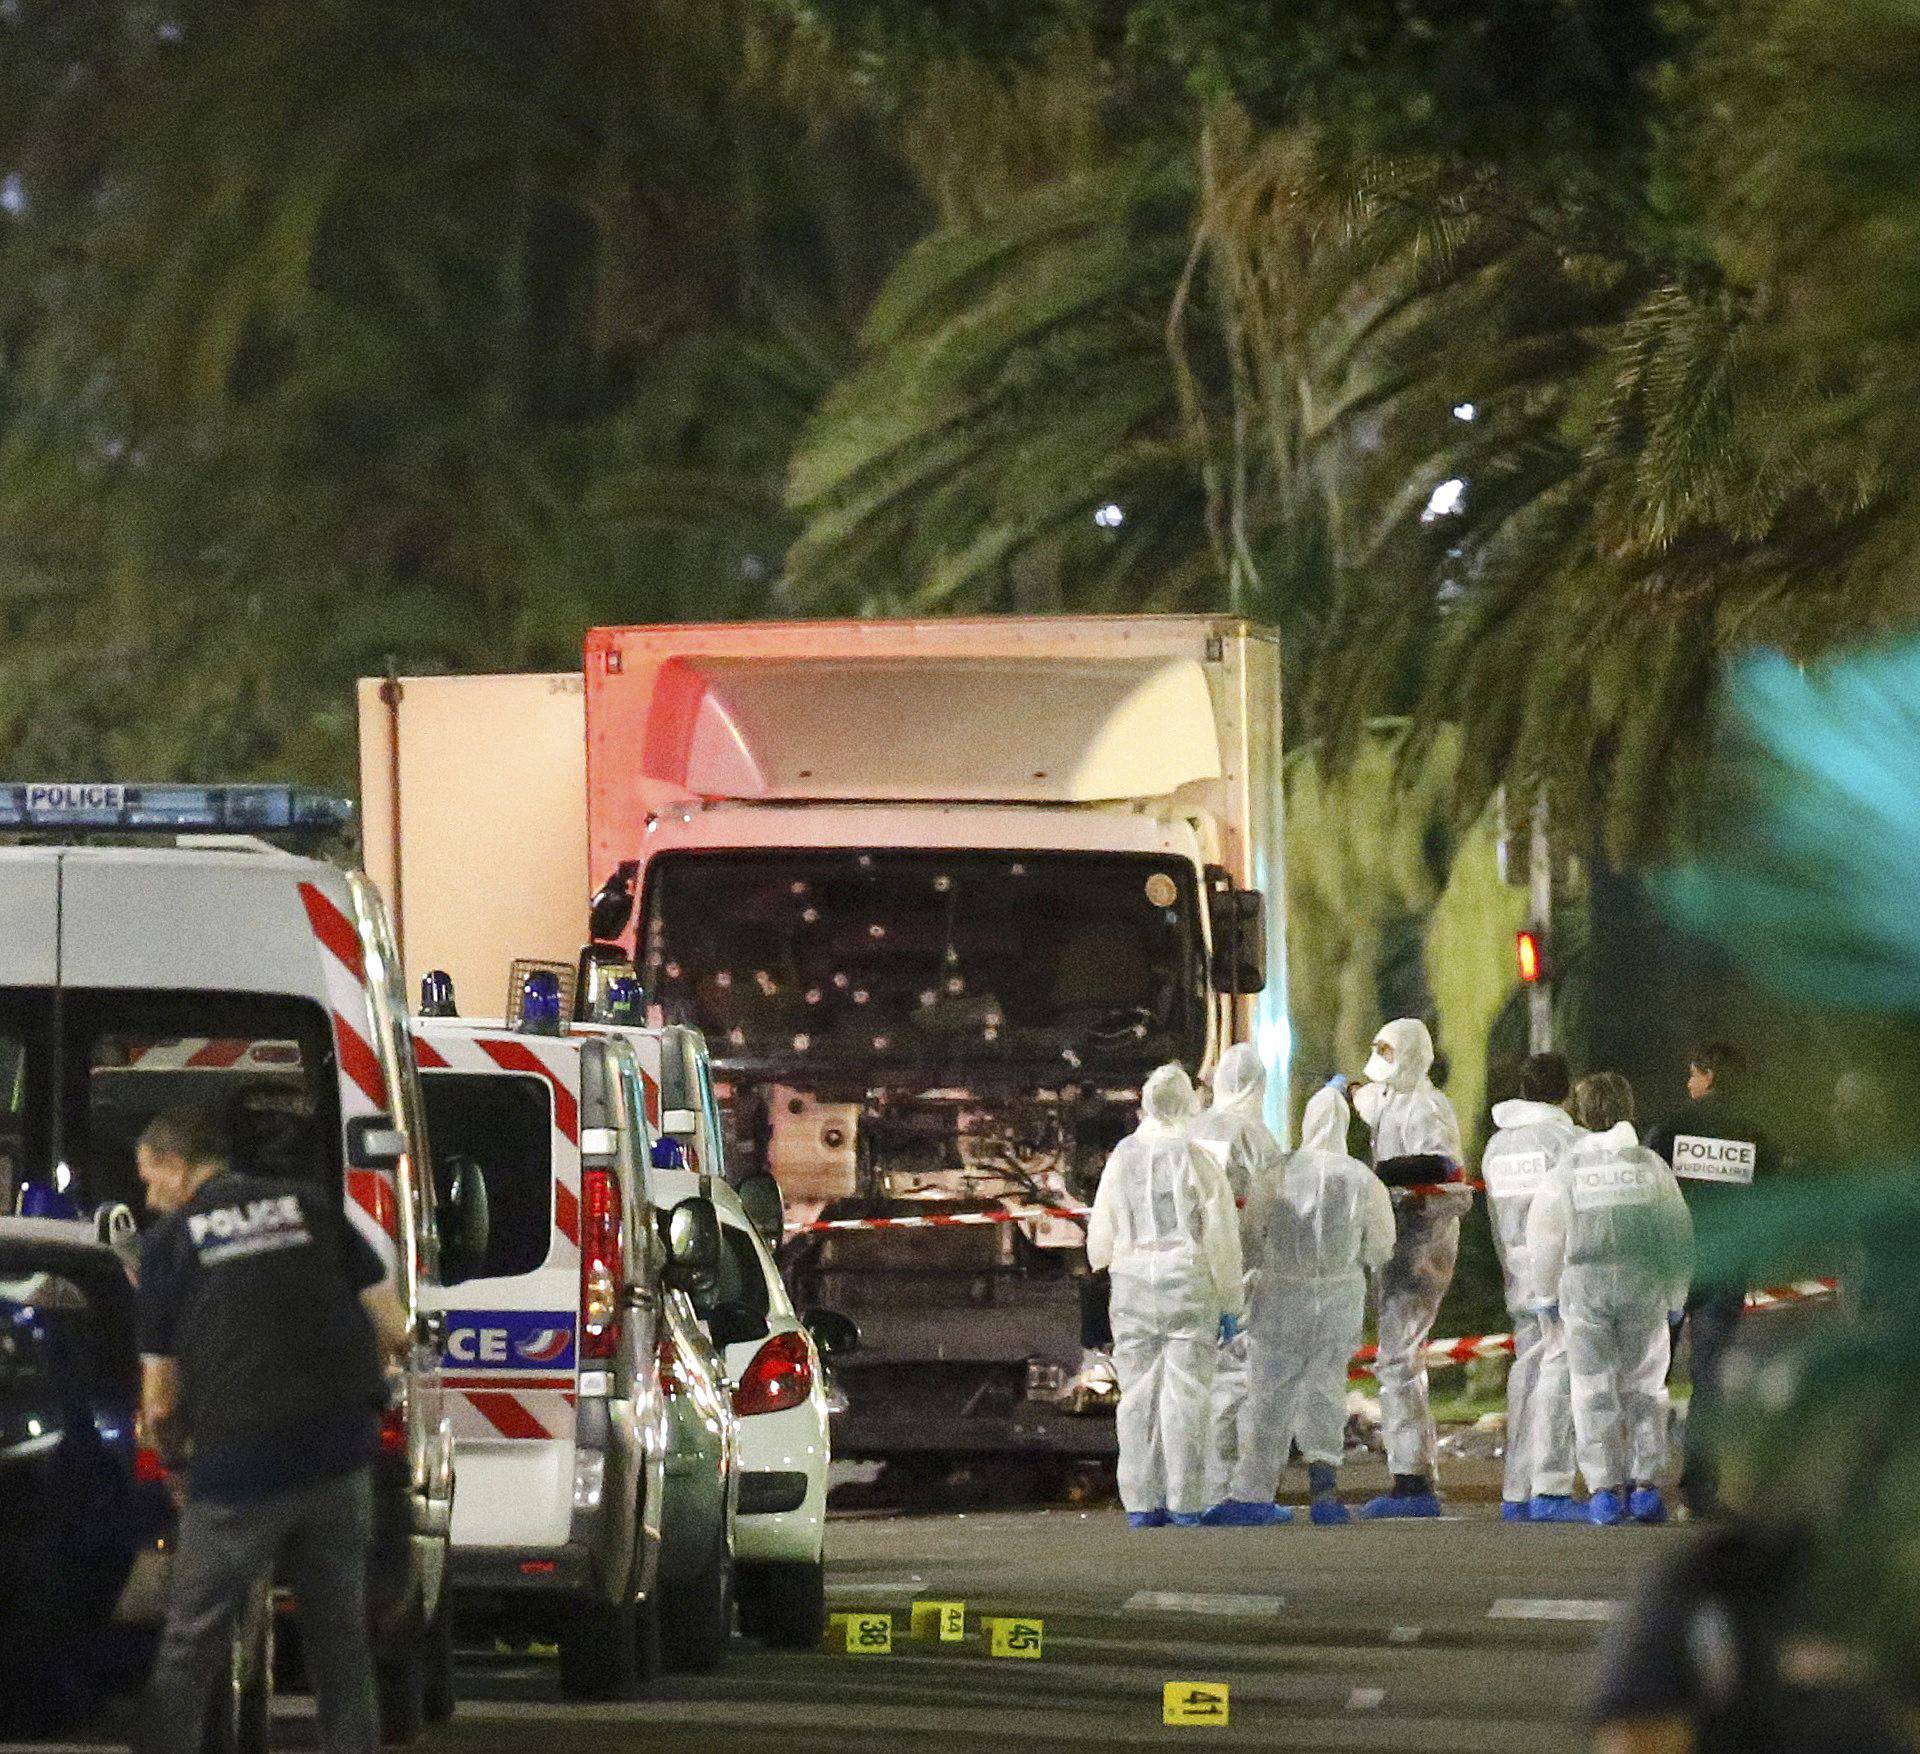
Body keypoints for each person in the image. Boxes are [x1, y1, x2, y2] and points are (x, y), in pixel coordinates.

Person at [135, 1107, 408, 1754]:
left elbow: (161, 1400)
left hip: (239, 1470)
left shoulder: (171, 1244)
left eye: (150, 1179)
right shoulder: (309, 1207)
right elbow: (393, 1327)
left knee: (190, 1643)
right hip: (338, 1456)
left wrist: (175, 1467)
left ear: (178, 1167)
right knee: (340, 1643)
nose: (149, 1197)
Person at [1214, 1083, 1395, 1527]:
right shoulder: (1361, 1179)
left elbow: (1250, 1238)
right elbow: (1381, 1247)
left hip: (1282, 1297)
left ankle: (1253, 1496)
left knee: (1267, 1395)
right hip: (1338, 1300)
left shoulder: (1277, 1172)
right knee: (1326, 1391)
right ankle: (1325, 1493)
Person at [1528, 1073, 1693, 1526]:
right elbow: (1677, 1234)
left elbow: (1546, 1237)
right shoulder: (1650, 1167)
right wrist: (1676, 1294)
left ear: (1583, 1114)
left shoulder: (1568, 1171)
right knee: (1646, 1388)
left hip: (1584, 1289)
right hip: (1644, 1285)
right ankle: (1646, 1487)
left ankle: (1603, 1489)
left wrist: (1544, 1294)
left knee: (1591, 1388)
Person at [1087, 1063, 1244, 1528]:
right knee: (1186, 1395)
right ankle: (1185, 1502)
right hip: (1186, 1284)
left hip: (1132, 1283)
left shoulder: (1122, 1156)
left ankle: (1140, 1502)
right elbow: (1220, 1235)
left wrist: (1107, 1261)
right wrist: (1230, 1301)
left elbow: (1102, 1228)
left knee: (1136, 1396)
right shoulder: (1197, 1158)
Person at [1645, 1042, 1775, 1518]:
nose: (1689, 1082)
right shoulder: (1757, 1134)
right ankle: (1700, 1489)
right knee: (1710, 1377)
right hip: (1724, 1265)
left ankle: (1640, 1482)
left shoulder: (1672, 1128)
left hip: (1671, 1265)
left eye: (1694, 1073)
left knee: (1649, 1374)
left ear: (1711, 1076)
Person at [1351, 1018, 1469, 1517]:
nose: (1379, 1056)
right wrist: (1344, 1089)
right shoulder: (1389, 1100)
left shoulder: (1427, 1108)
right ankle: (1417, 1471)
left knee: (1398, 1358)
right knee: (1401, 1356)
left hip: (1422, 1248)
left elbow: (1447, 1176)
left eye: (1387, 1049)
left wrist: (1392, 1181)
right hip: (1395, 1246)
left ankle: (1412, 1481)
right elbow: (1363, 1097)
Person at [1482, 1052, 1584, 1523]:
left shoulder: (1498, 1147)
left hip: (1518, 1271)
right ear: (1565, 1091)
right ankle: (1550, 1487)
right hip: (1562, 1273)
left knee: (1525, 1374)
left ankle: (1516, 1489)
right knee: (1558, 1378)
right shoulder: (1568, 1142)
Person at [1188, 1043, 1286, 1516]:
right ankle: (1225, 1491)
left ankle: (1184, 1488)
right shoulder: (1255, 1135)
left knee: (1189, 1379)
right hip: (1241, 1271)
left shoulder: (1195, 1128)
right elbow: (1273, 1209)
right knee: (1235, 1379)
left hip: (1189, 1272)